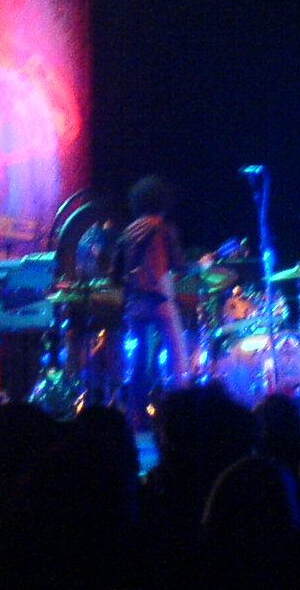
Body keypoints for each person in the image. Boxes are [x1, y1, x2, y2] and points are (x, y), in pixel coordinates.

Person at [116, 175, 191, 421]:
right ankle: (180, 412)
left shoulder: (128, 232)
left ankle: (135, 415)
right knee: (177, 354)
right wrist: (201, 264)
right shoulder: (164, 229)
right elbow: (179, 266)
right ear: (162, 202)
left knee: (138, 361)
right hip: (160, 301)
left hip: (134, 303)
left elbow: (115, 274)